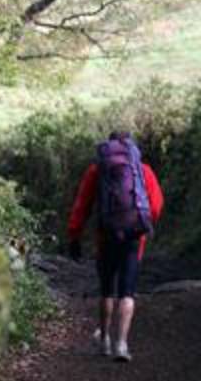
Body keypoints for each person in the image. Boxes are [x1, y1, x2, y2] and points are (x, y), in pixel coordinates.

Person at [66, 131, 164, 362]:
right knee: (127, 292)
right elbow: (156, 205)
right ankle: (122, 344)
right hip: (133, 238)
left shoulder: (97, 170)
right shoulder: (143, 170)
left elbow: (82, 206)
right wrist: (143, 225)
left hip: (106, 236)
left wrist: (74, 236)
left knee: (107, 290)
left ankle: (104, 343)